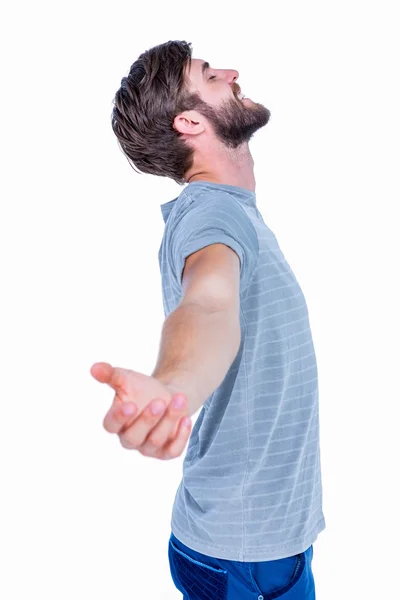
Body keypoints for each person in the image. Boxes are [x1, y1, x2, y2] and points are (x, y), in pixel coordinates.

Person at [91, 39, 326, 599]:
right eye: (210, 74)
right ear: (190, 121)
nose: (233, 72)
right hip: (233, 559)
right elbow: (209, 301)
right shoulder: (213, 213)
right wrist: (173, 386)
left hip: (278, 544)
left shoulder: (231, 212)